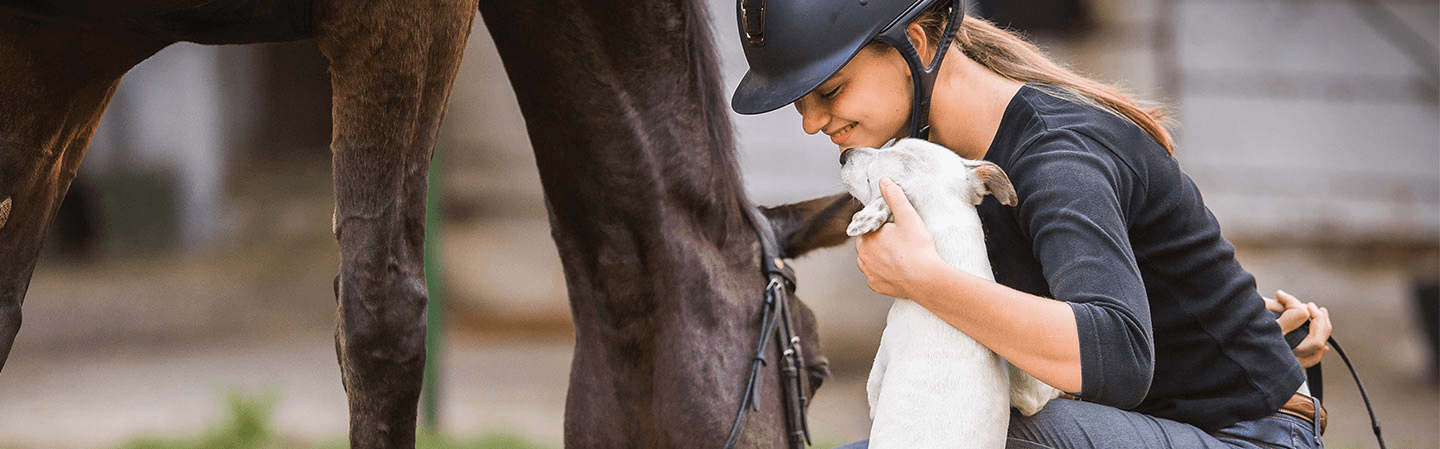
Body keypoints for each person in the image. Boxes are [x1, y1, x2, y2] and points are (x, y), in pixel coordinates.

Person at [729, 1, 1335, 447]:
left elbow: (1117, 359)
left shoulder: (1058, 159)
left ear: (914, 41)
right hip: (1157, 424)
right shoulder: (943, 160)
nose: (812, 123)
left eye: (830, 90)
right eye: (798, 104)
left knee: (1013, 433)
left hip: (1250, 437)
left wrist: (925, 279)